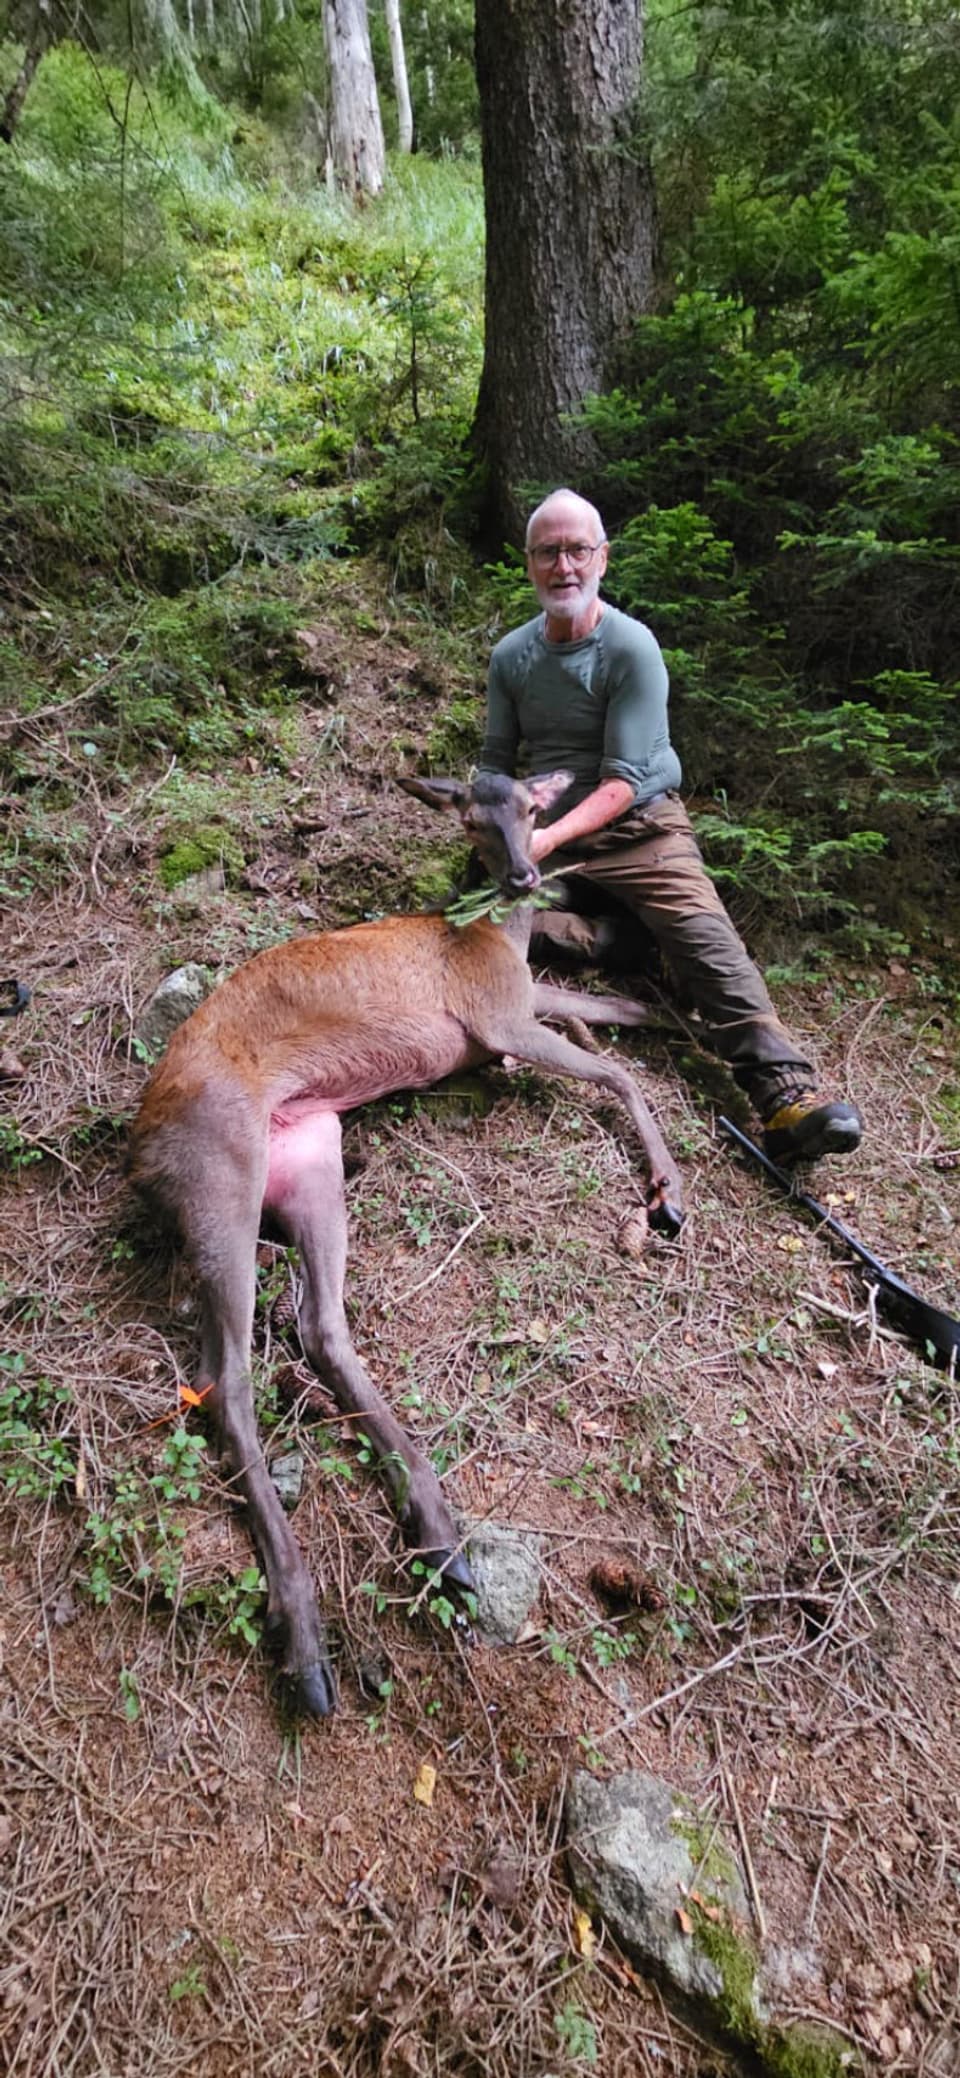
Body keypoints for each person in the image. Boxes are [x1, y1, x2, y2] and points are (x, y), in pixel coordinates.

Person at [478, 487, 863, 1162]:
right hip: (552, 841)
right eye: (548, 552)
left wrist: (542, 840)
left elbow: (624, 781)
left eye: (577, 550)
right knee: (480, 926)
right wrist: (492, 823)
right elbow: (497, 763)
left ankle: (785, 1096)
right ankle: (621, 945)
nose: (563, 566)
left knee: (705, 939)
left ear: (603, 558)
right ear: (529, 562)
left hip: (639, 831)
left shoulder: (631, 647)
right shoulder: (513, 656)